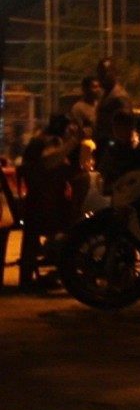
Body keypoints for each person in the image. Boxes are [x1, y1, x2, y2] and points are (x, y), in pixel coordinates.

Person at [15, 115, 82, 290]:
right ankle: (70, 272)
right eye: (70, 128)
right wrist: (72, 143)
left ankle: (55, 265)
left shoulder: (41, 141)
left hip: (37, 207)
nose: (73, 132)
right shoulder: (49, 142)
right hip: (46, 210)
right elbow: (48, 162)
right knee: (83, 220)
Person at [93, 57, 132, 151]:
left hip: (114, 148)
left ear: (113, 74)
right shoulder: (105, 94)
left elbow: (125, 129)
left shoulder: (119, 97)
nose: (100, 77)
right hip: (104, 145)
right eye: (99, 73)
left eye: (103, 73)